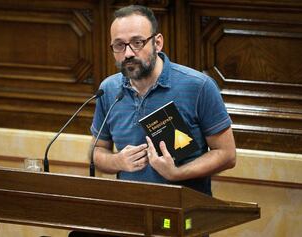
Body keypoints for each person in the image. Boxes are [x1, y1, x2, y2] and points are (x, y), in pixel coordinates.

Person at [90, 5, 236, 196]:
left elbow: (227, 155)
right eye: (119, 45)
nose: (128, 53)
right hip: (131, 207)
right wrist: (118, 161)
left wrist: (177, 173)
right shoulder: (108, 90)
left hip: (182, 209)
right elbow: (98, 151)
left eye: (137, 42)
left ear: (157, 43)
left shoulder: (198, 86)